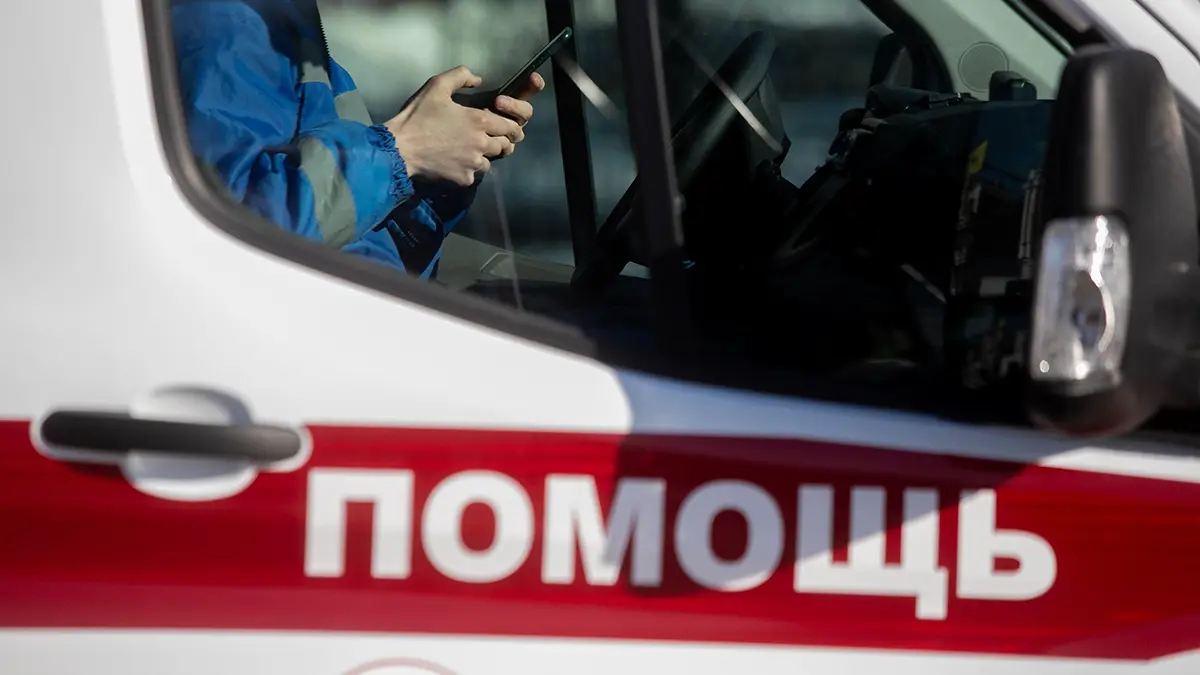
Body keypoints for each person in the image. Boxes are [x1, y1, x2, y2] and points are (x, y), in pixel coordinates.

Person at [171, 0, 545, 278]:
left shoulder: (287, 27)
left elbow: (351, 233)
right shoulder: (225, 26)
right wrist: (408, 149)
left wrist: (436, 164)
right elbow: (233, 235)